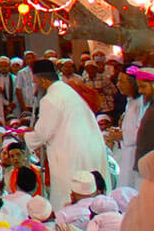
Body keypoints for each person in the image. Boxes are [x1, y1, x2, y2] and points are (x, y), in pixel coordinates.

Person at [24, 58, 111, 206]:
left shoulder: (51, 99)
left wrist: (25, 136)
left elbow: (42, 134)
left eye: (35, 82)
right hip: (87, 148)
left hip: (70, 153)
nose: (35, 86)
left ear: (44, 81)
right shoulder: (68, 91)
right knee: (91, 195)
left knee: (68, 195)